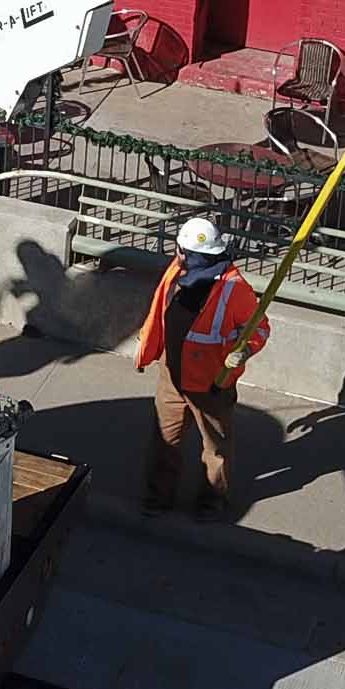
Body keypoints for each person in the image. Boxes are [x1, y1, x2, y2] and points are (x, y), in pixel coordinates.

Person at [136, 215, 267, 522]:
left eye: (182, 251)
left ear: (194, 255)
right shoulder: (177, 272)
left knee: (215, 448)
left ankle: (211, 502)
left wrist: (245, 350)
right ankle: (158, 497)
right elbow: (160, 312)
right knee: (165, 439)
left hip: (212, 381)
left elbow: (259, 328)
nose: (177, 254)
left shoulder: (235, 289)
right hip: (173, 372)